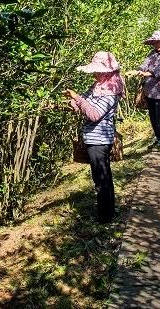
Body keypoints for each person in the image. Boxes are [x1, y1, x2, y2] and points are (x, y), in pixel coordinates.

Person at [64, 51, 125, 223]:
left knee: (102, 179)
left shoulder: (111, 91)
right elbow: (84, 100)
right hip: (92, 138)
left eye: (99, 71)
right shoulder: (97, 87)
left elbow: (94, 114)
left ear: (108, 72)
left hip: (99, 140)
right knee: (101, 177)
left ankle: (105, 216)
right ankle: (107, 211)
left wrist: (77, 98)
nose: (95, 74)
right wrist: (73, 101)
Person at [129, 31, 160, 149]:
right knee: (153, 117)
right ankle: (158, 138)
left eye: (157, 42)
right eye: (153, 42)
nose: (155, 45)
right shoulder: (152, 54)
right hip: (149, 91)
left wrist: (146, 73)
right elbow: (144, 64)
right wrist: (136, 70)